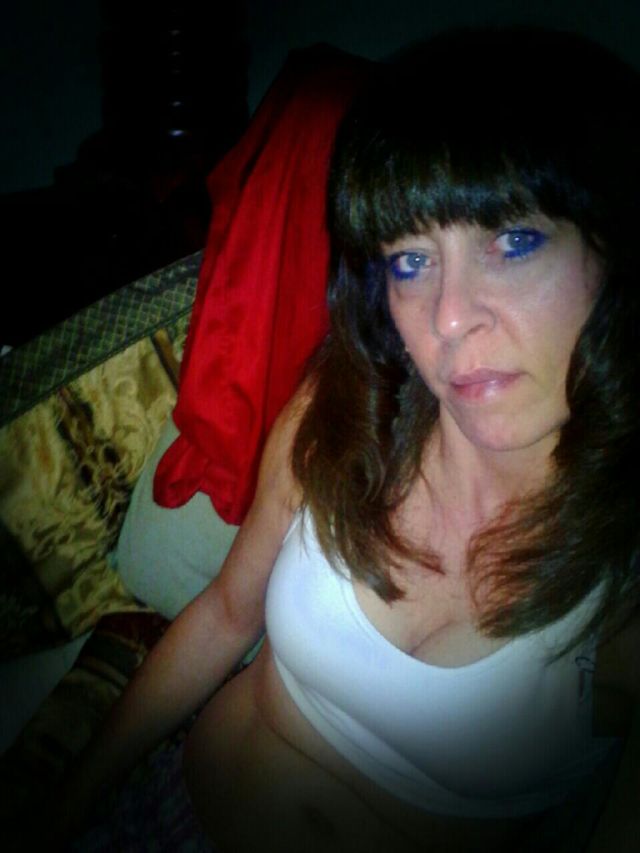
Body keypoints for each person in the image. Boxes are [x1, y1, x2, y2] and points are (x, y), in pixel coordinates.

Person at [54, 25, 639, 853]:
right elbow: (224, 614)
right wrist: (66, 807)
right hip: (158, 815)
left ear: (614, 253)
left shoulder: (622, 580)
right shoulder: (343, 413)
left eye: (512, 241)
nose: (449, 317)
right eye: (410, 261)